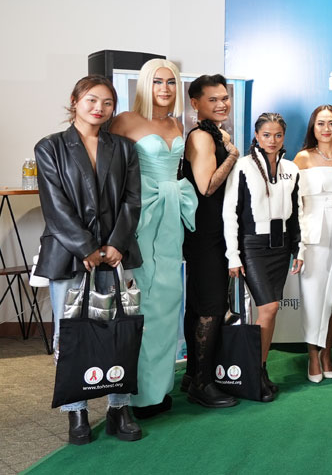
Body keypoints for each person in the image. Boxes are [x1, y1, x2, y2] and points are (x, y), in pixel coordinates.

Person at [35, 75, 144, 444]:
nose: (99, 108)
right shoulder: (50, 147)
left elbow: (132, 200)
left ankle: (119, 409)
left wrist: (116, 244)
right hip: (69, 254)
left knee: (119, 330)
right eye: (92, 100)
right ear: (75, 101)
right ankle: (76, 412)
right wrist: (86, 247)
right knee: (70, 335)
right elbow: (55, 206)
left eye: (107, 102)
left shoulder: (125, 148)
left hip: (114, 254)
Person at [109, 59, 197, 418]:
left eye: (171, 82)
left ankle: (159, 389)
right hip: (141, 217)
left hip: (171, 219)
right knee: (141, 303)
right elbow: (111, 174)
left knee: (168, 301)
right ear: (145, 84)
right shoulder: (125, 120)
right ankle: (136, 395)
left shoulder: (177, 124)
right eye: (158, 81)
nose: (165, 88)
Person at [223, 112, 301, 402]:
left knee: (272, 310)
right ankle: (253, 372)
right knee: (267, 308)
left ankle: (261, 370)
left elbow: (296, 213)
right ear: (256, 136)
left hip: (281, 247)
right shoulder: (242, 166)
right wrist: (233, 255)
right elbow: (229, 212)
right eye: (266, 135)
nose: (272, 140)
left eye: (278, 135)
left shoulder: (291, 168)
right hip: (252, 246)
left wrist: (299, 248)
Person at [181, 74, 239, 408]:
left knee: (200, 305)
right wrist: (232, 155)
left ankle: (193, 375)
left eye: (224, 98)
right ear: (195, 103)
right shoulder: (202, 136)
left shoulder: (214, 133)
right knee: (211, 307)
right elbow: (207, 187)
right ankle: (202, 384)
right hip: (205, 234)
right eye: (213, 99)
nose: (221, 104)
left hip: (210, 231)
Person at [294, 105, 332, 383]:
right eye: (320, 123)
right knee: (313, 296)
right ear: (313, 127)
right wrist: (298, 243)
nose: (326, 129)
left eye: (331, 123)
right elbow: (295, 203)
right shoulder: (302, 158)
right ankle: (312, 356)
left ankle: (327, 353)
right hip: (312, 234)